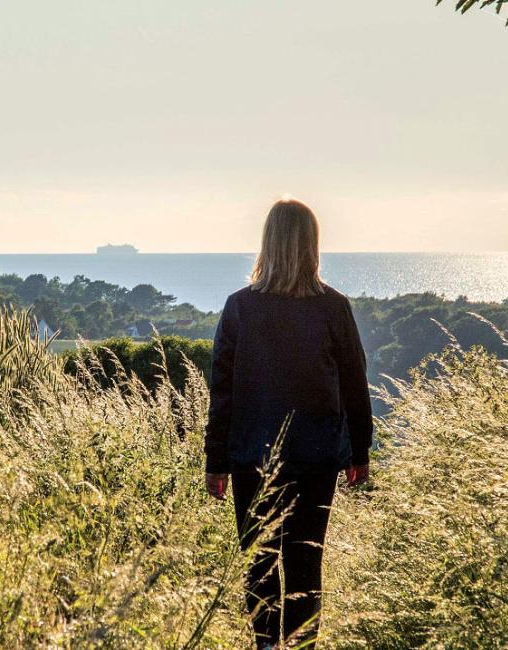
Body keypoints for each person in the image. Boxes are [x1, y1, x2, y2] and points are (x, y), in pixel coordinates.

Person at [203, 198, 372, 649]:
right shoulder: (333, 307)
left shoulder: (240, 308)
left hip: (250, 457)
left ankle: (265, 646)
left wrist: (215, 462)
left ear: (267, 243)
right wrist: (360, 453)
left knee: (259, 563)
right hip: (317, 458)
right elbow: (356, 384)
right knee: (304, 566)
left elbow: (222, 392)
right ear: (312, 245)